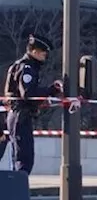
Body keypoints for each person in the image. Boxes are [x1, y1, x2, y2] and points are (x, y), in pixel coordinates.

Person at [3, 34, 63, 175]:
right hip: (20, 115)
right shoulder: (27, 68)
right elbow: (29, 94)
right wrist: (51, 90)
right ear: (35, 52)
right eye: (43, 53)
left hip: (18, 115)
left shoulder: (22, 66)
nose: (45, 57)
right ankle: (17, 191)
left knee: (21, 155)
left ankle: (16, 189)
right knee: (23, 158)